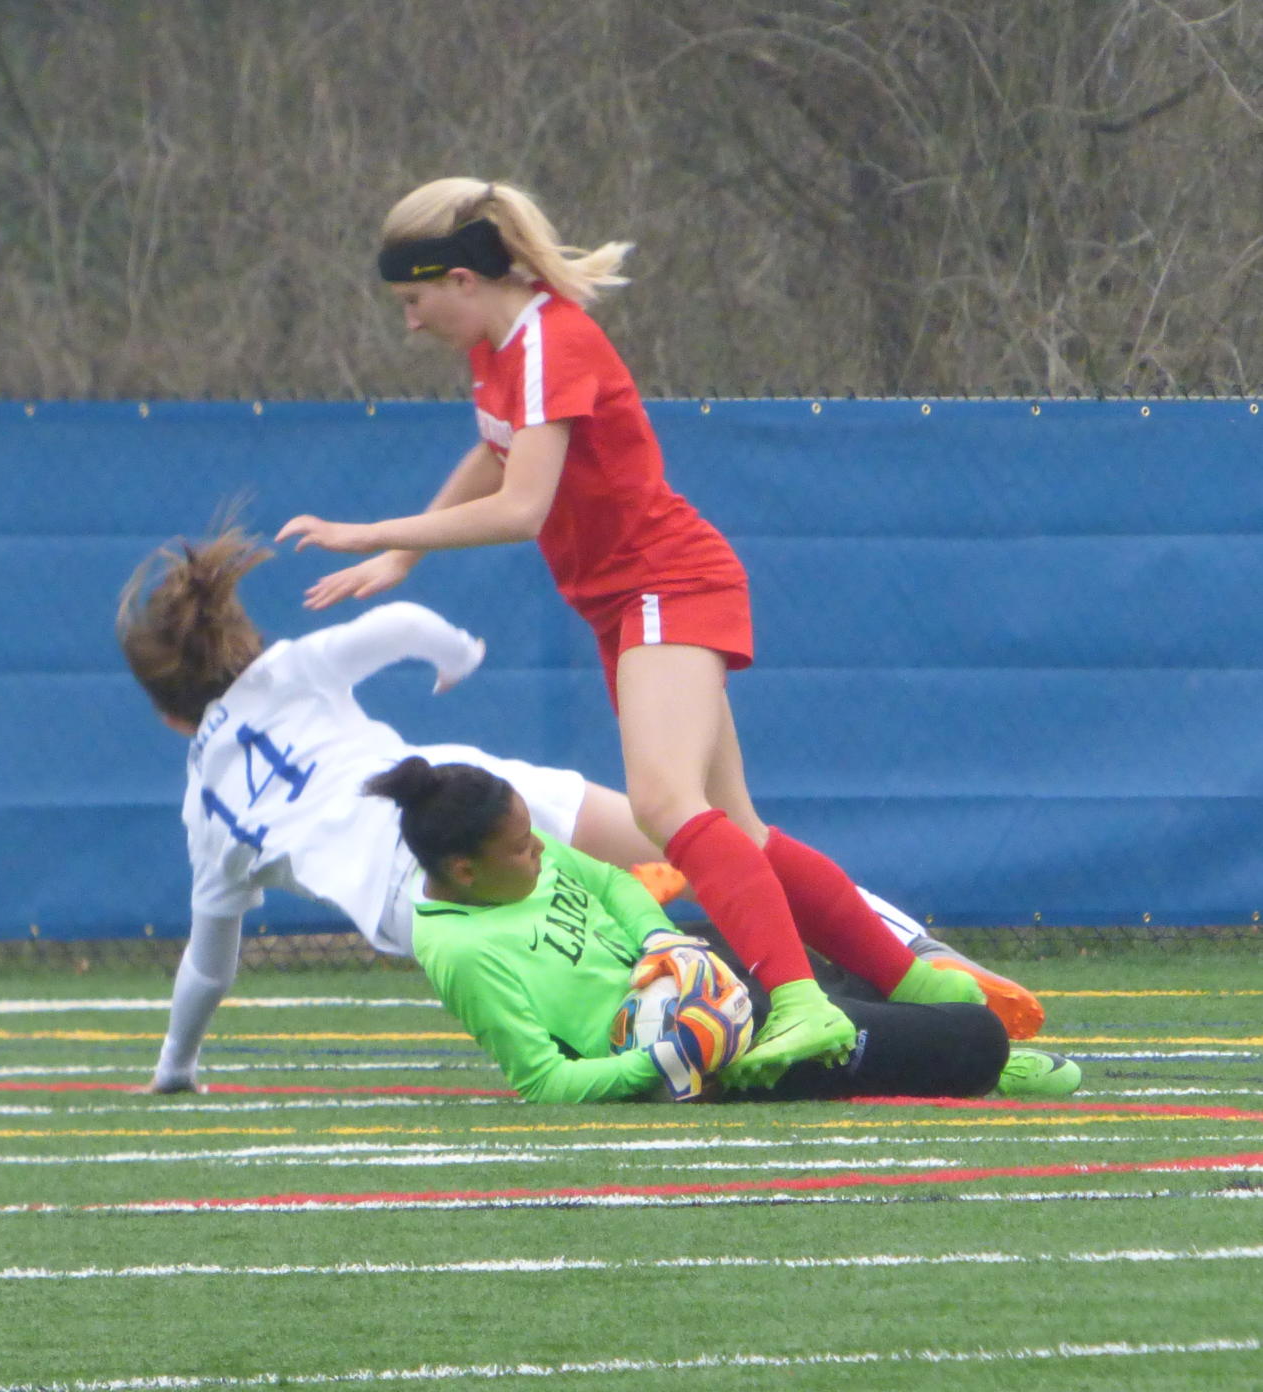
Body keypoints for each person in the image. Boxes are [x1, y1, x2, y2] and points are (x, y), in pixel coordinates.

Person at [275, 176, 982, 1080]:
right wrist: (407, 557)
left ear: (459, 280)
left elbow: (523, 505)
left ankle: (803, 1003)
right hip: (628, 599)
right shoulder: (501, 349)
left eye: (413, 301)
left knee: (664, 806)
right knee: (737, 829)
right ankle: (915, 986)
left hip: (664, 582)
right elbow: (496, 450)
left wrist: (376, 530)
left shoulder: (549, 343)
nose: (409, 322)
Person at [115, 530, 1041, 1094]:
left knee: (612, 1012)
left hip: (435, 882)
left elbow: (208, 965)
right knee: (714, 839)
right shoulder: (286, 669)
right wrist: (458, 655)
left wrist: (176, 1066)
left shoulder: (205, 809)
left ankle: (775, 1034)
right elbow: (398, 630)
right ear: (240, 642)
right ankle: (909, 958)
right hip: (481, 785)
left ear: (167, 713)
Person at [365, 756, 1080, 1106]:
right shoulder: (457, 949)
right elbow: (546, 1083)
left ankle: (908, 1013)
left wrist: (658, 940)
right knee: (975, 1036)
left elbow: (614, 882)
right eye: (521, 849)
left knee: (800, 934)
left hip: (695, 974)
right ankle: (982, 1059)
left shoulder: (517, 860)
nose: (540, 853)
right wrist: (675, 1053)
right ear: (461, 871)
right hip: (703, 1046)